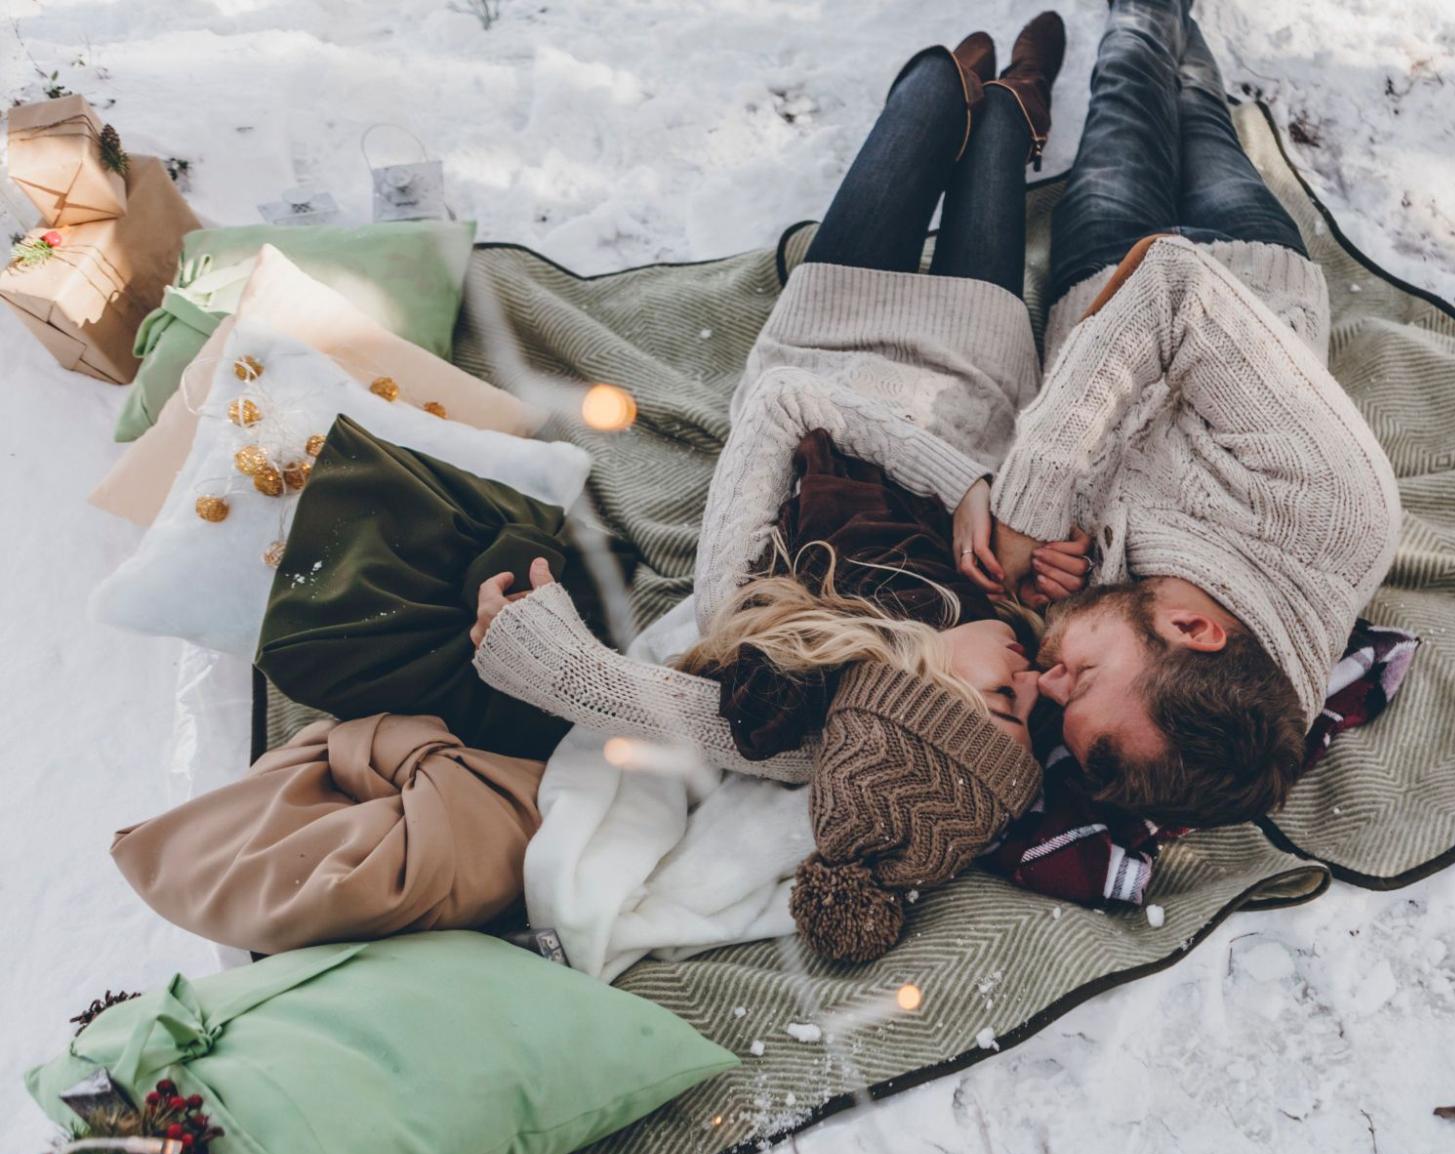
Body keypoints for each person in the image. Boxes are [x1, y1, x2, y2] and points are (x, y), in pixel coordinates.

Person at [469, 16, 1071, 960]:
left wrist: (534, 655)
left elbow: (790, 401)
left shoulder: (761, 626)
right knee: (992, 121)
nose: (1035, 683)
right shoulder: (1015, 625)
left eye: (1005, 702)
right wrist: (1028, 533)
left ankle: (967, 103)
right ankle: (1016, 109)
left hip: (830, 330)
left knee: (929, 93)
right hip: (979, 357)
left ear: (916, 694)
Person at [957, 0, 1403, 829]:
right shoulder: (1334, 513)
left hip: (1096, 274)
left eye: (1058, 702)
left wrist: (993, 508)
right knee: (1189, 102)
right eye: (1078, 681)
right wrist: (1031, 504)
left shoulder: (1134, 647)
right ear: (1196, 627)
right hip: (1233, 254)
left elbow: (1035, 480)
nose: (1047, 679)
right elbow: (1172, 286)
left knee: (1126, 95)